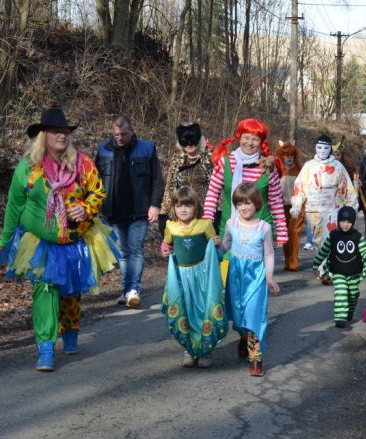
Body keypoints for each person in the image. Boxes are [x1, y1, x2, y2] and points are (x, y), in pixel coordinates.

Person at [0, 107, 117, 371]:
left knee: (72, 289)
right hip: (40, 243)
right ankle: (46, 348)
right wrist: (6, 241)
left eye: (65, 132)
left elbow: (98, 192)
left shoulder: (82, 163)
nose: (62, 136)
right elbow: (14, 205)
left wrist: (85, 208)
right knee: (45, 290)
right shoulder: (29, 167)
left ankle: (71, 333)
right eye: (55, 131)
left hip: (75, 239)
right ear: (43, 135)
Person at [96, 115, 164, 308]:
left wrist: (155, 204)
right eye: (116, 134)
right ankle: (126, 291)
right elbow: (94, 180)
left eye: (123, 134)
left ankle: (134, 289)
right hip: (113, 211)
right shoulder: (103, 150)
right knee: (122, 253)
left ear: (132, 131)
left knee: (135, 250)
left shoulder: (147, 148)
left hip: (139, 211)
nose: (119, 138)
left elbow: (157, 180)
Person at [160, 187, 227, 368]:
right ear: (173, 208)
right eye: (179, 205)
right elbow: (167, 244)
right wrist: (165, 250)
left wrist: (218, 244)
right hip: (182, 278)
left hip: (202, 277)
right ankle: (189, 349)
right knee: (185, 311)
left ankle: (205, 350)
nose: (183, 209)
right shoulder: (170, 227)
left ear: (196, 206)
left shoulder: (204, 225)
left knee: (202, 310)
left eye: (188, 205)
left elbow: (216, 251)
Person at [220, 183, 280, 377]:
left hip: (256, 276)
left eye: (247, 203)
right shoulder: (231, 224)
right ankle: (243, 337)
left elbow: (269, 254)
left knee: (254, 314)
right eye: (239, 203)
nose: (244, 207)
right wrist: (214, 248)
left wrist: (269, 277)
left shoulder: (264, 227)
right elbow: (225, 246)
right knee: (238, 315)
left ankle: (256, 357)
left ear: (256, 203)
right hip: (236, 275)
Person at [203, 118, 288, 246]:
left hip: (259, 231)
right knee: (227, 264)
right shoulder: (225, 163)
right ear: (239, 138)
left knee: (256, 265)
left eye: (255, 139)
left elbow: (276, 201)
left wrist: (281, 232)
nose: (250, 143)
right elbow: (212, 194)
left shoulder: (268, 167)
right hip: (229, 228)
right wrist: (207, 222)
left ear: (261, 142)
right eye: (246, 137)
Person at [291, 134, 357, 282]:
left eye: (326, 147)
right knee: (317, 241)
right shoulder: (309, 166)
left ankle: (330, 271)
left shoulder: (337, 166)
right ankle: (322, 268)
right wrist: (296, 205)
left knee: (330, 239)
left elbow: (346, 187)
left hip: (333, 209)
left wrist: (351, 207)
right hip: (312, 210)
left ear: (330, 149)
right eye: (319, 147)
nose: (322, 150)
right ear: (315, 147)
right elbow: (300, 187)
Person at [312, 206, 366, 328]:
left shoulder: (357, 236)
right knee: (341, 292)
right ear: (338, 221)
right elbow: (324, 251)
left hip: (354, 272)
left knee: (352, 294)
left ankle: (350, 309)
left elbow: (365, 251)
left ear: (353, 222)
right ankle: (340, 318)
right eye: (343, 221)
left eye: (348, 222)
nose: (345, 224)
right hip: (338, 271)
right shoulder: (333, 236)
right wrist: (316, 265)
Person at [159, 122, 213, 236]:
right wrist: (164, 214)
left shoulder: (210, 159)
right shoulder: (176, 160)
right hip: (182, 215)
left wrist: (217, 213)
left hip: (204, 215)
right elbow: (170, 186)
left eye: (193, 139)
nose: (189, 144)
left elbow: (217, 187)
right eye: (185, 140)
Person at [275, 140, 304, 271]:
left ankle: (294, 261)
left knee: (294, 231)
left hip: (296, 206)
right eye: (286, 155)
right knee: (284, 233)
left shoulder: (300, 170)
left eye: (291, 155)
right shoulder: (278, 170)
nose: (289, 158)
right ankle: (287, 260)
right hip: (282, 206)